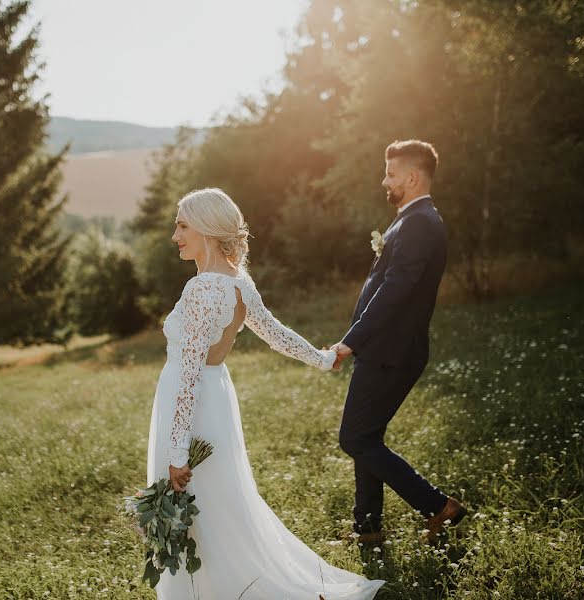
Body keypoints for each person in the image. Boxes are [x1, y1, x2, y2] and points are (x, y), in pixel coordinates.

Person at [146, 188, 384, 599]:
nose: (175, 235)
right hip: (215, 397)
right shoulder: (238, 283)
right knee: (221, 504)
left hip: (194, 404)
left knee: (201, 507)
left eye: (182, 225)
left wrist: (178, 452)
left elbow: (188, 374)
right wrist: (322, 359)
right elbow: (276, 334)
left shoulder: (203, 290)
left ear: (206, 227)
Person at [330, 140, 467, 546]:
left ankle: (438, 505)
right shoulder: (410, 220)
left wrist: (350, 342)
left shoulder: (421, 222)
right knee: (366, 438)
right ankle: (368, 529)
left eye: (390, 173)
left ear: (411, 177)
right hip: (385, 350)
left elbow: (394, 290)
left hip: (392, 352)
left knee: (354, 439)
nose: (384, 180)